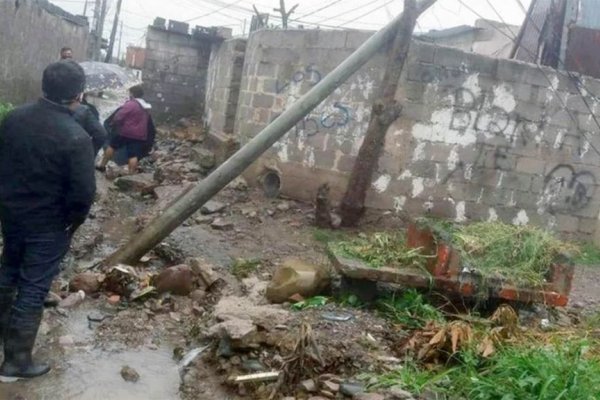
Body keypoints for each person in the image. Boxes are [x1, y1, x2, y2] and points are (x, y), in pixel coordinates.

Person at [0, 61, 96, 381]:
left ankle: (4, 344)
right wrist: (71, 223)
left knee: (8, 275)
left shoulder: (13, 119)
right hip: (49, 225)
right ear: (78, 94)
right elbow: (83, 195)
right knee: (32, 287)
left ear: (44, 86)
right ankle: (15, 363)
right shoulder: (77, 137)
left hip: (11, 215)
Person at [96, 84, 154, 174]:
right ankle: (130, 175)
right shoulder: (146, 106)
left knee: (112, 146)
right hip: (139, 135)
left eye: (129, 92)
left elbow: (119, 117)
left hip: (125, 132)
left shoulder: (131, 104)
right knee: (133, 155)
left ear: (132, 93)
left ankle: (102, 166)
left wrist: (113, 124)